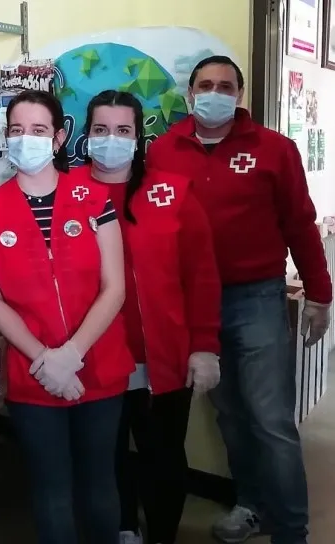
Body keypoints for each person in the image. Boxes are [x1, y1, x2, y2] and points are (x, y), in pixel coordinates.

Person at [148, 55, 332, 544]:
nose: (215, 92)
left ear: (240, 95)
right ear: (190, 94)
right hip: (192, 307)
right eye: (205, 85)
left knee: (271, 420)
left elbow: (300, 224)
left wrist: (320, 294)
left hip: (256, 300)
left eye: (225, 86)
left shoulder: (275, 150)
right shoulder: (163, 151)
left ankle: (292, 530)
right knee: (228, 415)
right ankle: (251, 504)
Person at [0, 89, 134, 544]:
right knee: (52, 492)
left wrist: (72, 355)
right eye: (17, 130)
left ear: (59, 137)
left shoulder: (94, 198)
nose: (27, 139)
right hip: (33, 374)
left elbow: (114, 287)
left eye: (39, 130)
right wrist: (46, 360)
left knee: (100, 486)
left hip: (97, 366)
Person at [72, 90, 222, 544]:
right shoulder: (66, 194)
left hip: (163, 358)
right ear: (86, 135)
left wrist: (204, 347)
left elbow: (202, 276)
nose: (111, 139)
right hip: (94, 358)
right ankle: (120, 529)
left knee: (163, 458)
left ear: (139, 138)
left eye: (123, 130)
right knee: (105, 455)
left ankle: (160, 536)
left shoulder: (173, 192)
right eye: (101, 130)